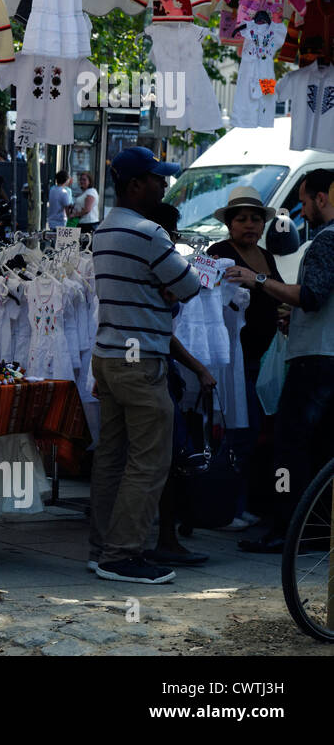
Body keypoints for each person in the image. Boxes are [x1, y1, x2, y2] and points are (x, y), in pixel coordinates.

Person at [89, 147, 201, 584]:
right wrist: (166, 291)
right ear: (136, 185)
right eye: (158, 178)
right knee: (148, 461)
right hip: (141, 362)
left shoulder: (103, 230)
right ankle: (122, 555)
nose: (164, 185)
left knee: (111, 459)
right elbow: (189, 286)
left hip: (109, 356)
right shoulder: (150, 233)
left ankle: (102, 549)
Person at [225, 169, 334, 553]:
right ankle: (315, 529)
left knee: (289, 449)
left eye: (304, 202)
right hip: (322, 356)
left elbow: (312, 295)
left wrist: (257, 280)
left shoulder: (325, 240)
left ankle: (287, 526)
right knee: (318, 449)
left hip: (315, 360)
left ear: (322, 198)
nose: (302, 212)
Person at [206, 185, 284, 532]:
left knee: (253, 434)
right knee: (239, 432)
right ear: (230, 224)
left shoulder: (266, 257)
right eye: (242, 219)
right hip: (234, 357)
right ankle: (223, 508)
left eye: (255, 218)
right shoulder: (218, 252)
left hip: (266, 356)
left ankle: (238, 504)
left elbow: (274, 292)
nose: (250, 225)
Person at [147, 202, 212, 567]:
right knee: (166, 457)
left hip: (130, 362)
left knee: (138, 457)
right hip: (153, 366)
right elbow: (183, 296)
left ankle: (122, 542)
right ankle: (165, 539)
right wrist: (199, 367)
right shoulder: (161, 262)